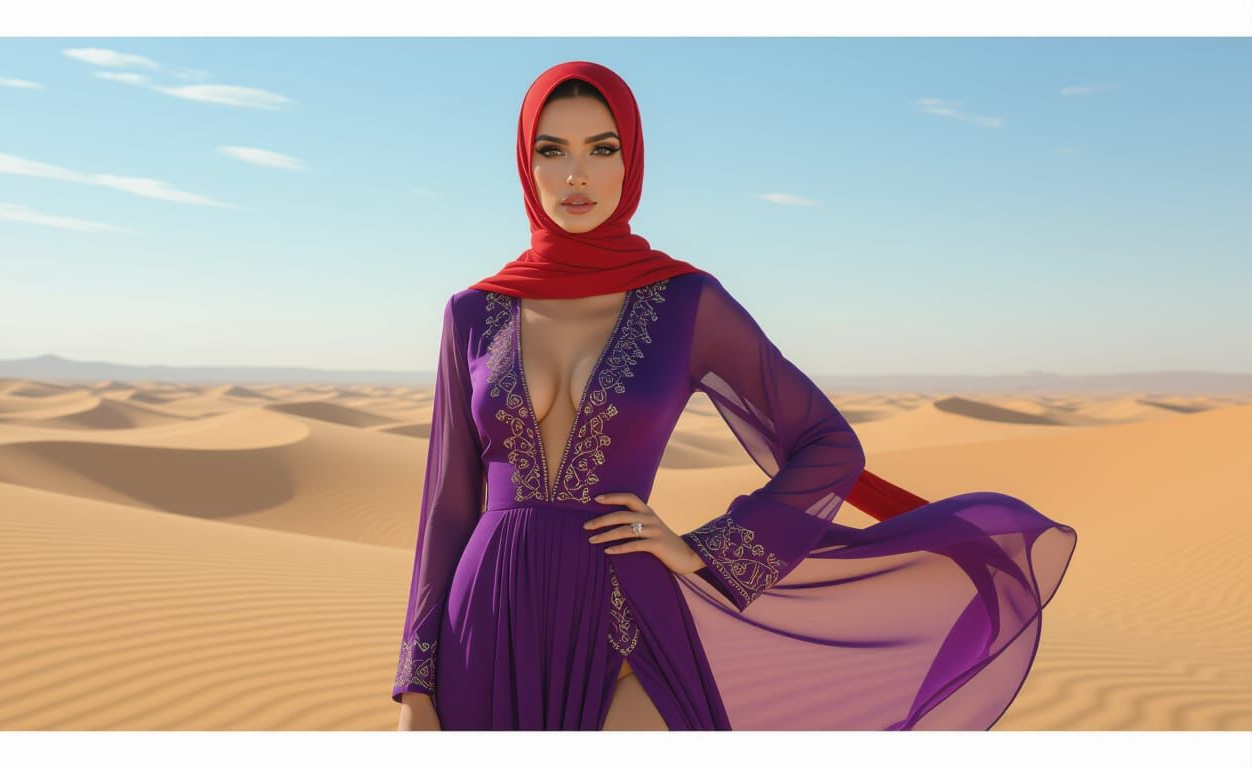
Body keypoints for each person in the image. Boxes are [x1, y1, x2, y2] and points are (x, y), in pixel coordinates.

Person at [392, 60, 1077, 731]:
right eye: (553, 150)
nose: (577, 175)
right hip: (483, 622)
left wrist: (711, 551)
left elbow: (829, 446)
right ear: (525, 163)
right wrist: (415, 685)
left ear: (630, 163)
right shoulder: (473, 313)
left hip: (627, 617)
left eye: (602, 149)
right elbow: (447, 508)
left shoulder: (686, 302)